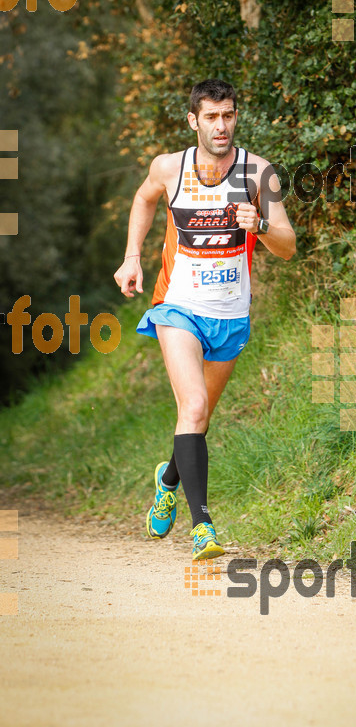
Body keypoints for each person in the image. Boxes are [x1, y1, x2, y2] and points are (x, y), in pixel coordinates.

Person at [113, 79, 296, 560]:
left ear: (236, 117)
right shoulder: (170, 168)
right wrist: (133, 257)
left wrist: (258, 224)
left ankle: (168, 479)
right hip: (178, 308)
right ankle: (203, 529)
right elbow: (143, 199)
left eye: (228, 115)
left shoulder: (259, 173)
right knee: (192, 406)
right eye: (211, 117)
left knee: (198, 418)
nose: (221, 126)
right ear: (194, 120)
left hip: (231, 316)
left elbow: (288, 246)